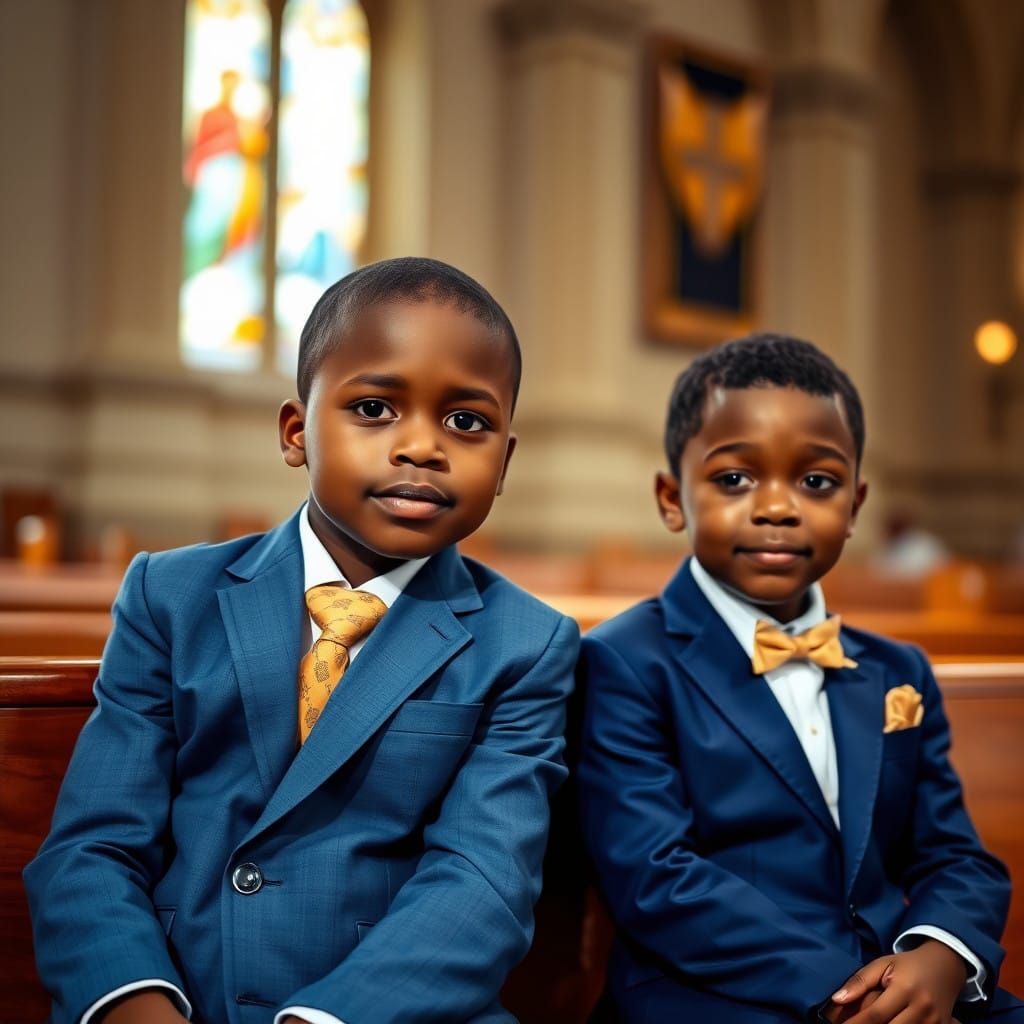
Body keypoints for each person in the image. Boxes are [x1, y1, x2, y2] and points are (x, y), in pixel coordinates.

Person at [25, 257, 579, 1024]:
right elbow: (93, 848)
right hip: (177, 993)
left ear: (504, 463)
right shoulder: (170, 597)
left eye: (467, 422)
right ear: (296, 432)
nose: (422, 447)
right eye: (377, 407)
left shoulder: (527, 644)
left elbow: (481, 881)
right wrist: (137, 1002)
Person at [577, 333, 1024, 1023]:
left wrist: (938, 956)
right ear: (672, 497)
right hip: (712, 994)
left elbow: (956, 855)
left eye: (816, 482)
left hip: (904, 989)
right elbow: (655, 876)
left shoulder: (897, 671)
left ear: (854, 504)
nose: (778, 507)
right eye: (734, 479)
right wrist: (848, 989)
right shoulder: (625, 660)